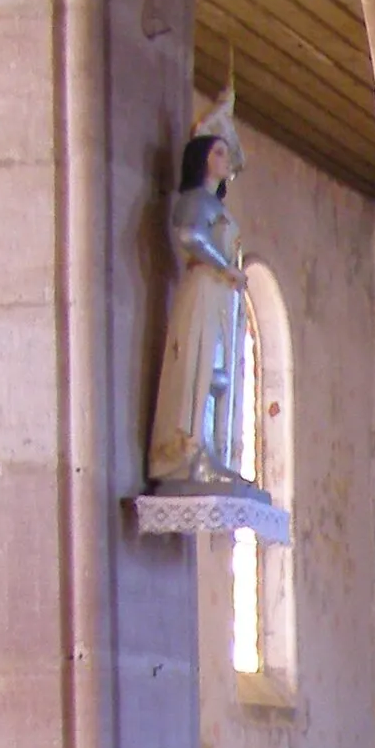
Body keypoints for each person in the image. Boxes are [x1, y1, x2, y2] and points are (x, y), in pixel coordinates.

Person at [147, 87, 263, 493]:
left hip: (221, 295)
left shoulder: (219, 206)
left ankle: (209, 449)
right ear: (200, 160)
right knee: (198, 366)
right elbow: (190, 235)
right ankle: (188, 449)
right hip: (203, 287)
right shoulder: (195, 199)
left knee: (218, 374)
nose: (224, 157)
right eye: (216, 151)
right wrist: (225, 268)